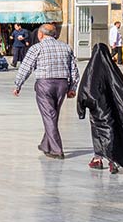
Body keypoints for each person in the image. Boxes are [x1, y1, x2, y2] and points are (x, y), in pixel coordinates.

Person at [75, 42, 123, 173]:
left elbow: (85, 90)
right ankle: (111, 160)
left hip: (97, 111)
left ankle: (99, 158)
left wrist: (81, 109)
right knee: (111, 132)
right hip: (113, 109)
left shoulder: (91, 70)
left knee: (98, 133)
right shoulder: (113, 71)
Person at [11, 24, 78, 159]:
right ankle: (45, 144)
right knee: (53, 115)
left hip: (45, 84)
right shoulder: (66, 47)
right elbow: (74, 69)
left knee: (49, 116)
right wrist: (72, 88)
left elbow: (26, 67)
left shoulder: (37, 48)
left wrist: (18, 85)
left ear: (40, 35)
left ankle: (56, 150)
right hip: (62, 84)